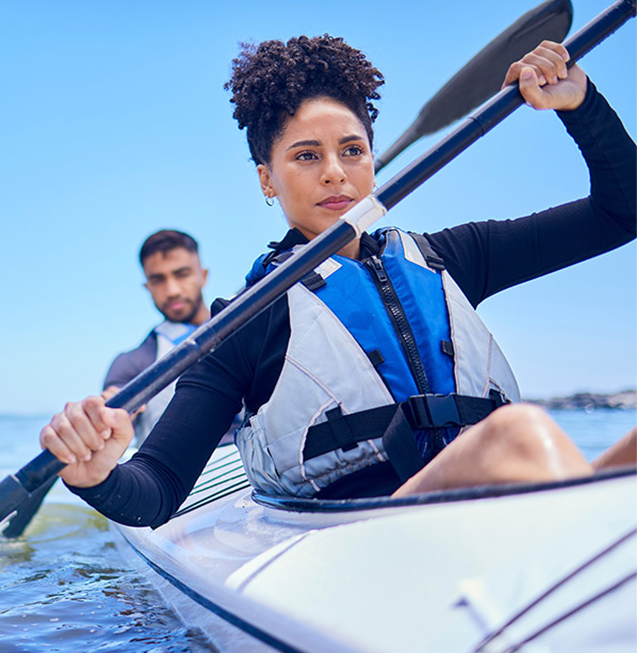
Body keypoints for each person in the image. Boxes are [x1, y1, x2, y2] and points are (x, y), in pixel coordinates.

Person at [40, 35, 636, 528]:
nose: (335, 172)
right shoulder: (245, 319)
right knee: (519, 431)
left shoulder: (454, 257)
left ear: (373, 161)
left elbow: (622, 211)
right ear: (266, 180)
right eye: (305, 156)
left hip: (485, 508)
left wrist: (581, 105)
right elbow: (160, 488)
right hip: (361, 533)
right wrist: (97, 475)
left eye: (352, 150)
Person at [102, 230, 211, 444]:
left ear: (203, 276)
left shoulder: (249, 332)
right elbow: (111, 422)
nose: (172, 290)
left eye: (182, 274)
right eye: (158, 280)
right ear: (147, 287)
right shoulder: (131, 364)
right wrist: (107, 414)